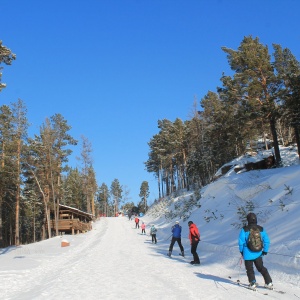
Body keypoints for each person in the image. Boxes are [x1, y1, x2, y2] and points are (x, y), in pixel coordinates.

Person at [238, 212, 273, 290]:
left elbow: (241, 242)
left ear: (248, 220)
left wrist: (241, 251)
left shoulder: (244, 229)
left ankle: (252, 283)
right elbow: (267, 241)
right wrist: (265, 250)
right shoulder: (261, 229)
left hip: (247, 253)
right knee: (261, 268)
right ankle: (268, 282)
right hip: (258, 253)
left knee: (250, 269)